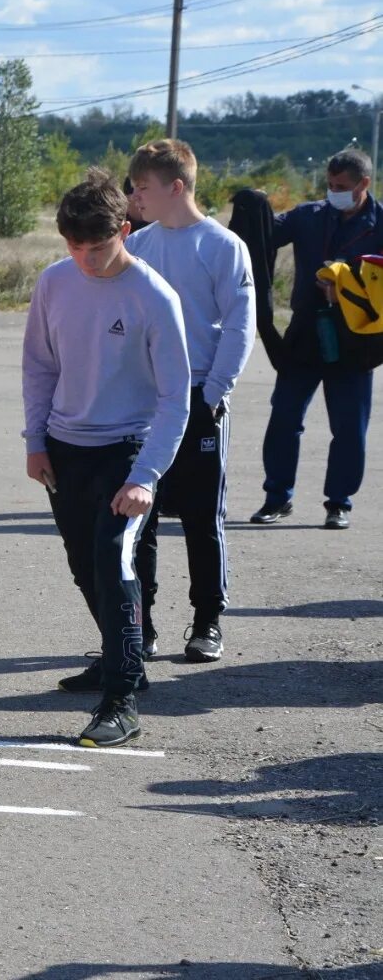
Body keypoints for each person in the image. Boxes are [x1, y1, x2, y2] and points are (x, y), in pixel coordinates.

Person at [23, 170, 190, 748]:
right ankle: (126, 656)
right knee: (83, 566)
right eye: (73, 247)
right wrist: (35, 440)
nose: (85, 260)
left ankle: (121, 700)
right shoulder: (53, 283)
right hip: (67, 450)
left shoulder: (153, 297)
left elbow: (175, 398)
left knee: (114, 564)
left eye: (97, 247)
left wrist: (146, 476)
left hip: (129, 449)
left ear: (124, 229)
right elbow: (40, 367)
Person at [125, 139, 256, 664]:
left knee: (203, 518)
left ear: (176, 188)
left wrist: (215, 392)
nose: (134, 197)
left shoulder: (224, 246)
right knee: (142, 517)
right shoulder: (138, 244)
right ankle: (144, 625)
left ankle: (207, 622)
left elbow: (240, 326)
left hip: (202, 397)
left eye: (143, 188)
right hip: (147, 401)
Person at [251, 149, 383, 530]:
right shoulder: (307, 217)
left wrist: (350, 285)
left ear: (364, 184)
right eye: (329, 184)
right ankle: (277, 497)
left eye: (342, 187)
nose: (333, 192)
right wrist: (253, 207)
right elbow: (264, 234)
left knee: (348, 427)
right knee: (284, 418)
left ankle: (339, 503)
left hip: (356, 340)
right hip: (306, 332)